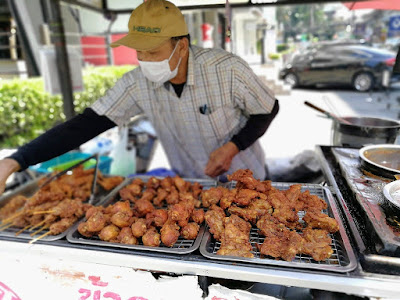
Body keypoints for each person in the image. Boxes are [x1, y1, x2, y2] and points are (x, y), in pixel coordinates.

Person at [0, 0, 278, 194]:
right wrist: (16, 160)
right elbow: (85, 124)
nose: (144, 61)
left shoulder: (226, 69)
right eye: (139, 52)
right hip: (192, 185)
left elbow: (267, 108)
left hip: (247, 182)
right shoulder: (136, 83)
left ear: (181, 46)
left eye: (153, 52)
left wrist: (232, 146)